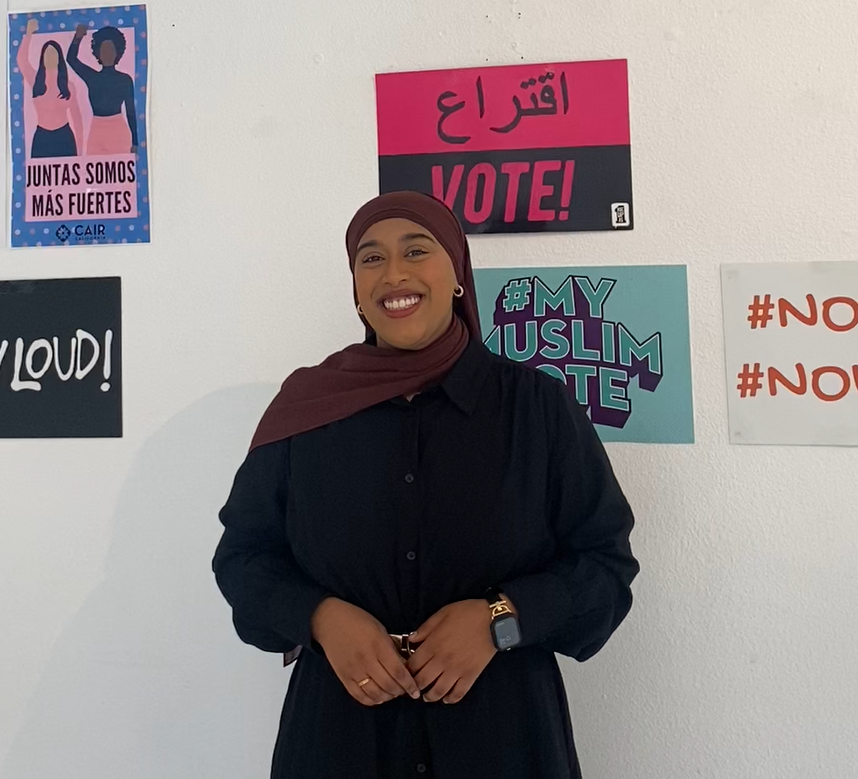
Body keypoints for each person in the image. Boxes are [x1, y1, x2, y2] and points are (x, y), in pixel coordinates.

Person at [212, 191, 639, 778]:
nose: (394, 274)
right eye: (371, 259)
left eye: (417, 250)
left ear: (457, 274)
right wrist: (319, 618)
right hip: (340, 742)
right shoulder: (305, 411)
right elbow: (243, 558)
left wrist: (500, 619)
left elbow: (605, 565)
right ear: (357, 288)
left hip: (503, 744)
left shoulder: (535, 408)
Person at [67, 24, 138, 155]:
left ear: (118, 51)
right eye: (103, 49)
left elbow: (131, 113)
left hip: (119, 132)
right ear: (97, 52)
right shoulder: (92, 77)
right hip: (96, 131)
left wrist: (135, 142)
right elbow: (71, 59)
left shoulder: (125, 80)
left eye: (110, 49)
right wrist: (78, 38)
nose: (107, 53)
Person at [17, 19, 83, 158]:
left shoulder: (68, 85)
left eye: (54, 54)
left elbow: (77, 119)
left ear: (59, 58)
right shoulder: (36, 80)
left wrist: (81, 151)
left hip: (64, 138)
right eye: (47, 54)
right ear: (42, 58)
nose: (51, 57)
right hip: (42, 138)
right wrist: (29, 33)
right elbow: (21, 60)